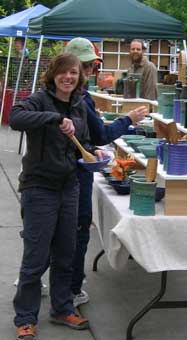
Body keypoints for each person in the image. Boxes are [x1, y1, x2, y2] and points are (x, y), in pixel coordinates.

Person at [9, 53, 91, 340]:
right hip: (39, 188)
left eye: (73, 73)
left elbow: (84, 142)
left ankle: (62, 308)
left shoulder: (79, 105)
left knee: (65, 254)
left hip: (69, 187)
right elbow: (15, 117)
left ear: (79, 77)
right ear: (53, 74)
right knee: (35, 257)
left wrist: (97, 153)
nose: (68, 77)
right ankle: (25, 317)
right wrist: (54, 118)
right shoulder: (40, 100)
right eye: (62, 72)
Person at [64, 37, 147, 308]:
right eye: (85, 68)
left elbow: (90, 137)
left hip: (65, 172)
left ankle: (59, 285)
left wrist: (90, 145)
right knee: (77, 229)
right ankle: (70, 290)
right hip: (74, 175)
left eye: (89, 68)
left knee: (61, 231)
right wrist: (129, 119)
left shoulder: (67, 95)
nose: (89, 73)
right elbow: (101, 134)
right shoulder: (79, 97)